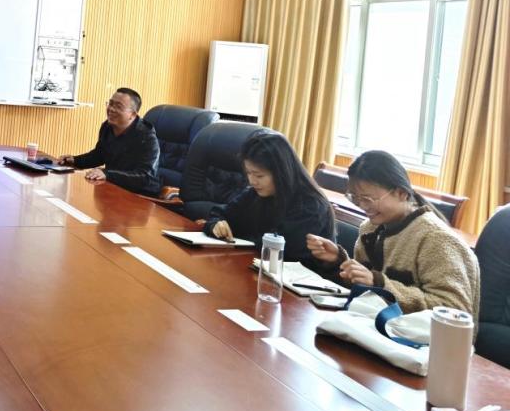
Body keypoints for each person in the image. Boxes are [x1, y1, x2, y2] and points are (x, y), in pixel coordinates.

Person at [307, 150, 479, 317]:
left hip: (415, 335)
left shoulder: (437, 239)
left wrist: (379, 284)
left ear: (401, 193)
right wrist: (339, 261)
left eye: (368, 199)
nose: (363, 206)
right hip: (375, 323)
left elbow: (454, 310)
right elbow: (363, 286)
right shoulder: (370, 228)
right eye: (355, 198)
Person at [203, 130, 335, 264]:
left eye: (259, 175)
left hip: (295, 274)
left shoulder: (310, 206)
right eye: (248, 173)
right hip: (256, 267)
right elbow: (220, 213)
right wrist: (215, 224)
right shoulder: (256, 193)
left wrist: (238, 235)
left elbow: (278, 249)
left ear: (281, 172)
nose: (252, 181)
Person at [58, 87, 160, 196]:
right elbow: (99, 155)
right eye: (110, 104)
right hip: (113, 188)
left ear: (133, 114)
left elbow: (145, 177)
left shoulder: (146, 137)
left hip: (140, 195)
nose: (111, 109)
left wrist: (107, 174)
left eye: (118, 106)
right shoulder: (107, 126)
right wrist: (75, 160)